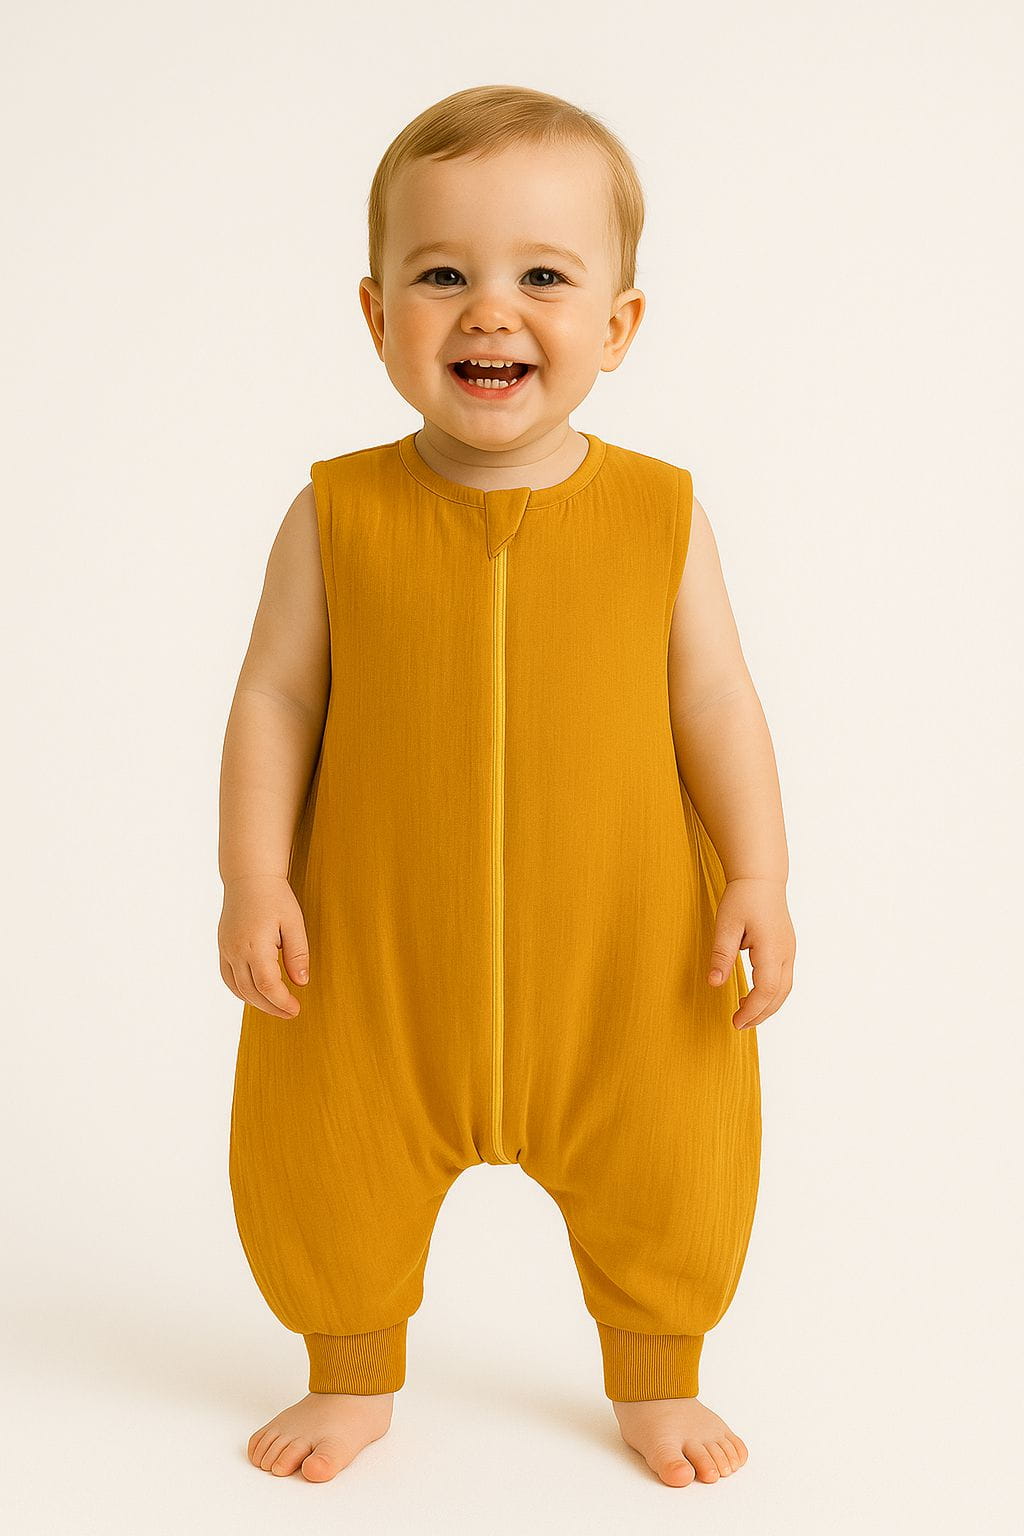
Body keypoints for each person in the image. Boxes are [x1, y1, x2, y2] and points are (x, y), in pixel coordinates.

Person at [219, 82, 795, 1489]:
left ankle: (658, 1368)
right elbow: (275, 697)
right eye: (441, 276)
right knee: (326, 1155)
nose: (490, 311)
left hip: (625, 955)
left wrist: (761, 875)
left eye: (543, 276)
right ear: (376, 317)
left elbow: (717, 702)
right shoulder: (336, 513)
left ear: (618, 323)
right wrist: (253, 876)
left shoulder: (661, 514)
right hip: (372, 952)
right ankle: (349, 1365)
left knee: (673, 1159)